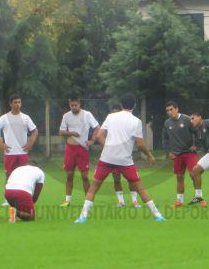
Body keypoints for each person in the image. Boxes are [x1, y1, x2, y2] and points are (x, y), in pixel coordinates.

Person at [74, 93, 164, 224]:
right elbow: (140, 144)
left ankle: (82, 217)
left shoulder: (111, 116)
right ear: (134, 105)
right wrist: (150, 155)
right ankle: (158, 215)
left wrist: (108, 147)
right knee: (140, 188)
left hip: (106, 158)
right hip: (125, 161)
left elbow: (99, 135)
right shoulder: (136, 121)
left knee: (94, 187)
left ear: (121, 105)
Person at [0, 94, 38, 206]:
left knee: (24, 177)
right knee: (9, 176)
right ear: (10, 104)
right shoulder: (4, 118)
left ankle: (27, 197)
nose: (17, 104)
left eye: (19, 102)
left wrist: (30, 142)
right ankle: (7, 199)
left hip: (22, 153)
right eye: (15, 102)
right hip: (10, 153)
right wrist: (0, 142)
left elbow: (35, 131)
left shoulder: (25, 118)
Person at [58, 97, 100, 207]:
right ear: (69, 104)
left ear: (79, 104)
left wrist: (92, 140)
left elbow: (97, 127)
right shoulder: (66, 116)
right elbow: (61, 131)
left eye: (76, 105)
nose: (74, 107)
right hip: (70, 148)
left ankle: (88, 201)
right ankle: (67, 200)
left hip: (82, 149)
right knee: (69, 175)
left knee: (85, 176)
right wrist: (71, 132)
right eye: (72, 105)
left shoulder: (87, 115)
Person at [162, 101, 200, 207]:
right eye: (167, 110)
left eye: (171, 109)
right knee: (179, 177)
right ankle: (179, 201)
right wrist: (168, 151)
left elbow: (197, 132)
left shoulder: (187, 119)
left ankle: (199, 198)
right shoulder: (167, 123)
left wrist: (195, 144)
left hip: (189, 153)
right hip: (176, 154)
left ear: (177, 109)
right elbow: (164, 139)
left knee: (194, 174)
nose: (169, 112)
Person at [110, 104, 141, 208]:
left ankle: (135, 201)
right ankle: (120, 201)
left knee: (131, 180)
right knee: (116, 179)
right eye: (113, 113)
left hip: (126, 158)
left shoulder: (127, 124)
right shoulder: (109, 124)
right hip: (113, 158)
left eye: (116, 113)